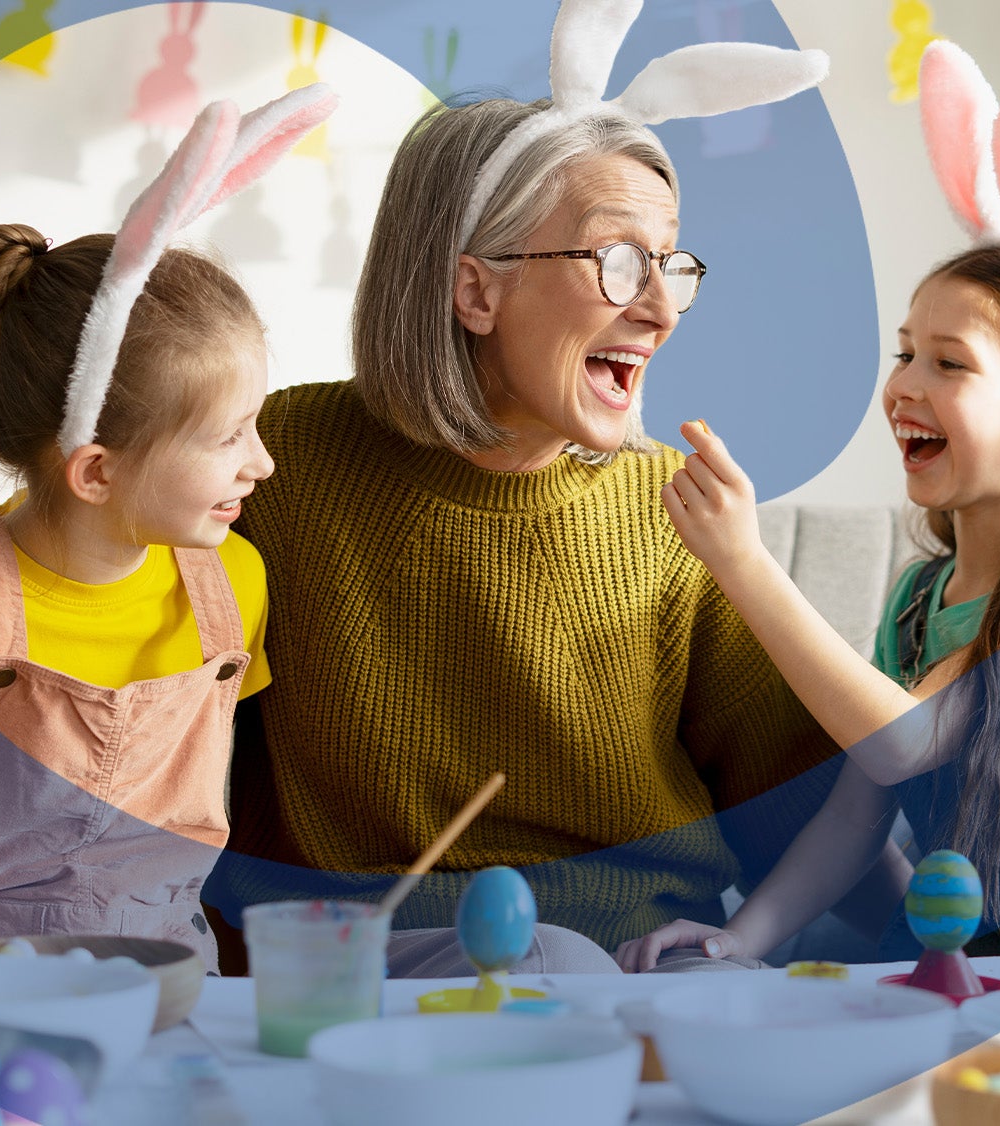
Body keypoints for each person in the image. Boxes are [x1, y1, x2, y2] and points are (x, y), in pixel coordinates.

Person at [207, 6, 903, 976]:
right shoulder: (277, 458)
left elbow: (806, 811)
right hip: (349, 970)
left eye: (670, 265)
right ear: (474, 291)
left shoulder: (673, 512)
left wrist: (958, 969)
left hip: (641, 973)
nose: (658, 306)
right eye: (618, 260)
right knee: (550, 964)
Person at [616, 41, 1000, 971]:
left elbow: (903, 745)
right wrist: (740, 938)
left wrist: (742, 562)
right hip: (957, 954)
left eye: (949, 363)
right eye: (903, 353)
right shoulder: (920, 601)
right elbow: (857, 815)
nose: (903, 387)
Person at [0, 91, 335, 973]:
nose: (263, 465)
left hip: (178, 1008)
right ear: (95, 470)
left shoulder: (234, 583)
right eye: (226, 437)